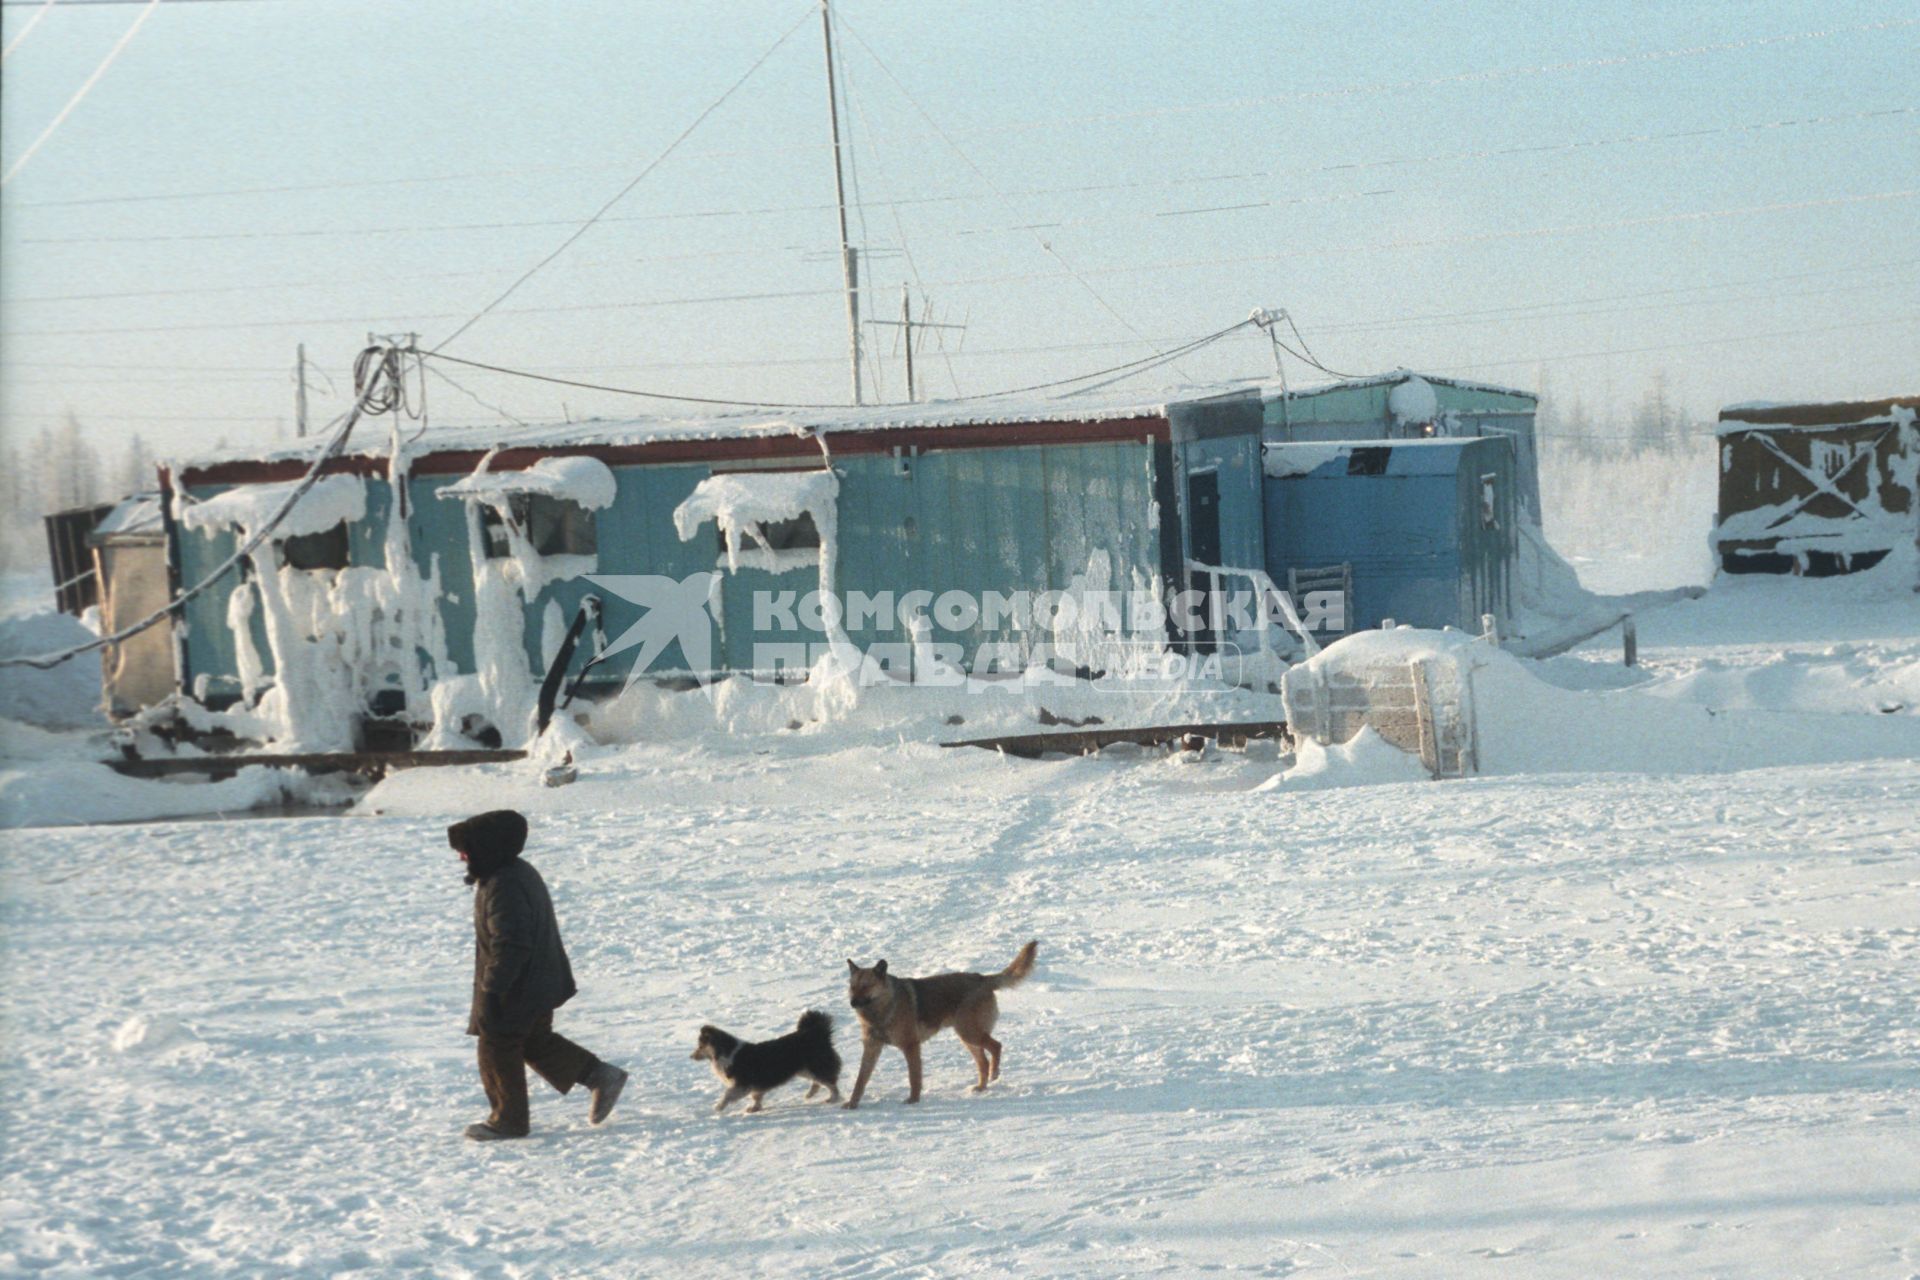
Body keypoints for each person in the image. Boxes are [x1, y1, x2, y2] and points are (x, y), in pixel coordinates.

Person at [450, 808, 627, 1142]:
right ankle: (601, 1076)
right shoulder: (509, 874)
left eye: (466, 849)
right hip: (538, 981)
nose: (461, 857)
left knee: (497, 1044)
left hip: (520, 984)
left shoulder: (505, 884)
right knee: (533, 1040)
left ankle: (508, 1121)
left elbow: (512, 943)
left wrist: (494, 990)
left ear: (487, 847)